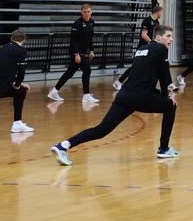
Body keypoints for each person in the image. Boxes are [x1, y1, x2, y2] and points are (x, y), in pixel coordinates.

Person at [51, 24, 179, 165]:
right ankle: (164, 149)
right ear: (158, 37)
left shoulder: (142, 49)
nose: (171, 40)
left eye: (172, 37)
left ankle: (63, 146)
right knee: (170, 107)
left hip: (124, 95)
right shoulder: (160, 49)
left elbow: (135, 72)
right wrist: (169, 94)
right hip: (141, 96)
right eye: (168, 36)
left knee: (102, 130)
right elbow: (164, 75)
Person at [49, 3, 98, 103]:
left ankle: (54, 91)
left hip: (83, 52)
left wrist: (91, 50)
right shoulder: (77, 23)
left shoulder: (92, 22)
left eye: (88, 12)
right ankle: (86, 95)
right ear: (81, 12)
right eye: (84, 12)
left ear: (91, 12)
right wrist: (76, 54)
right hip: (76, 53)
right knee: (87, 70)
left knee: (69, 73)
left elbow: (90, 38)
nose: (87, 14)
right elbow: (73, 41)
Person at [115, 4, 163, 91]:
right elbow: (143, 35)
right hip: (143, 48)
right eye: (161, 12)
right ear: (158, 11)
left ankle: (144, 85)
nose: (161, 14)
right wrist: (152, 42)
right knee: (135, 67)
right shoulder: (147, 21)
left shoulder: (157, 23)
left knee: (149, 67)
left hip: (150, 48)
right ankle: (118, 82)